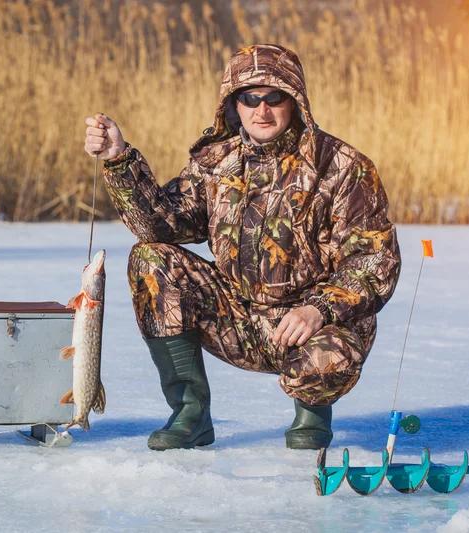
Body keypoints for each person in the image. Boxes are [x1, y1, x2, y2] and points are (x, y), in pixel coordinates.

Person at [83, 44, 401, 451]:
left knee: (327, 357)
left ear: (295, 101)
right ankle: (190, 413)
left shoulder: (342, 166)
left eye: (274, 98)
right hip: (240, 318)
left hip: (314, 324)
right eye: (249, 98)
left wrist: (317, 309)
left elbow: (375, 260)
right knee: (151, 258)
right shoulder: (217, 162)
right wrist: (118, 159)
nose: (262, 111)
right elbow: (160, 224)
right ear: (234, 104)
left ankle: (312, 417)